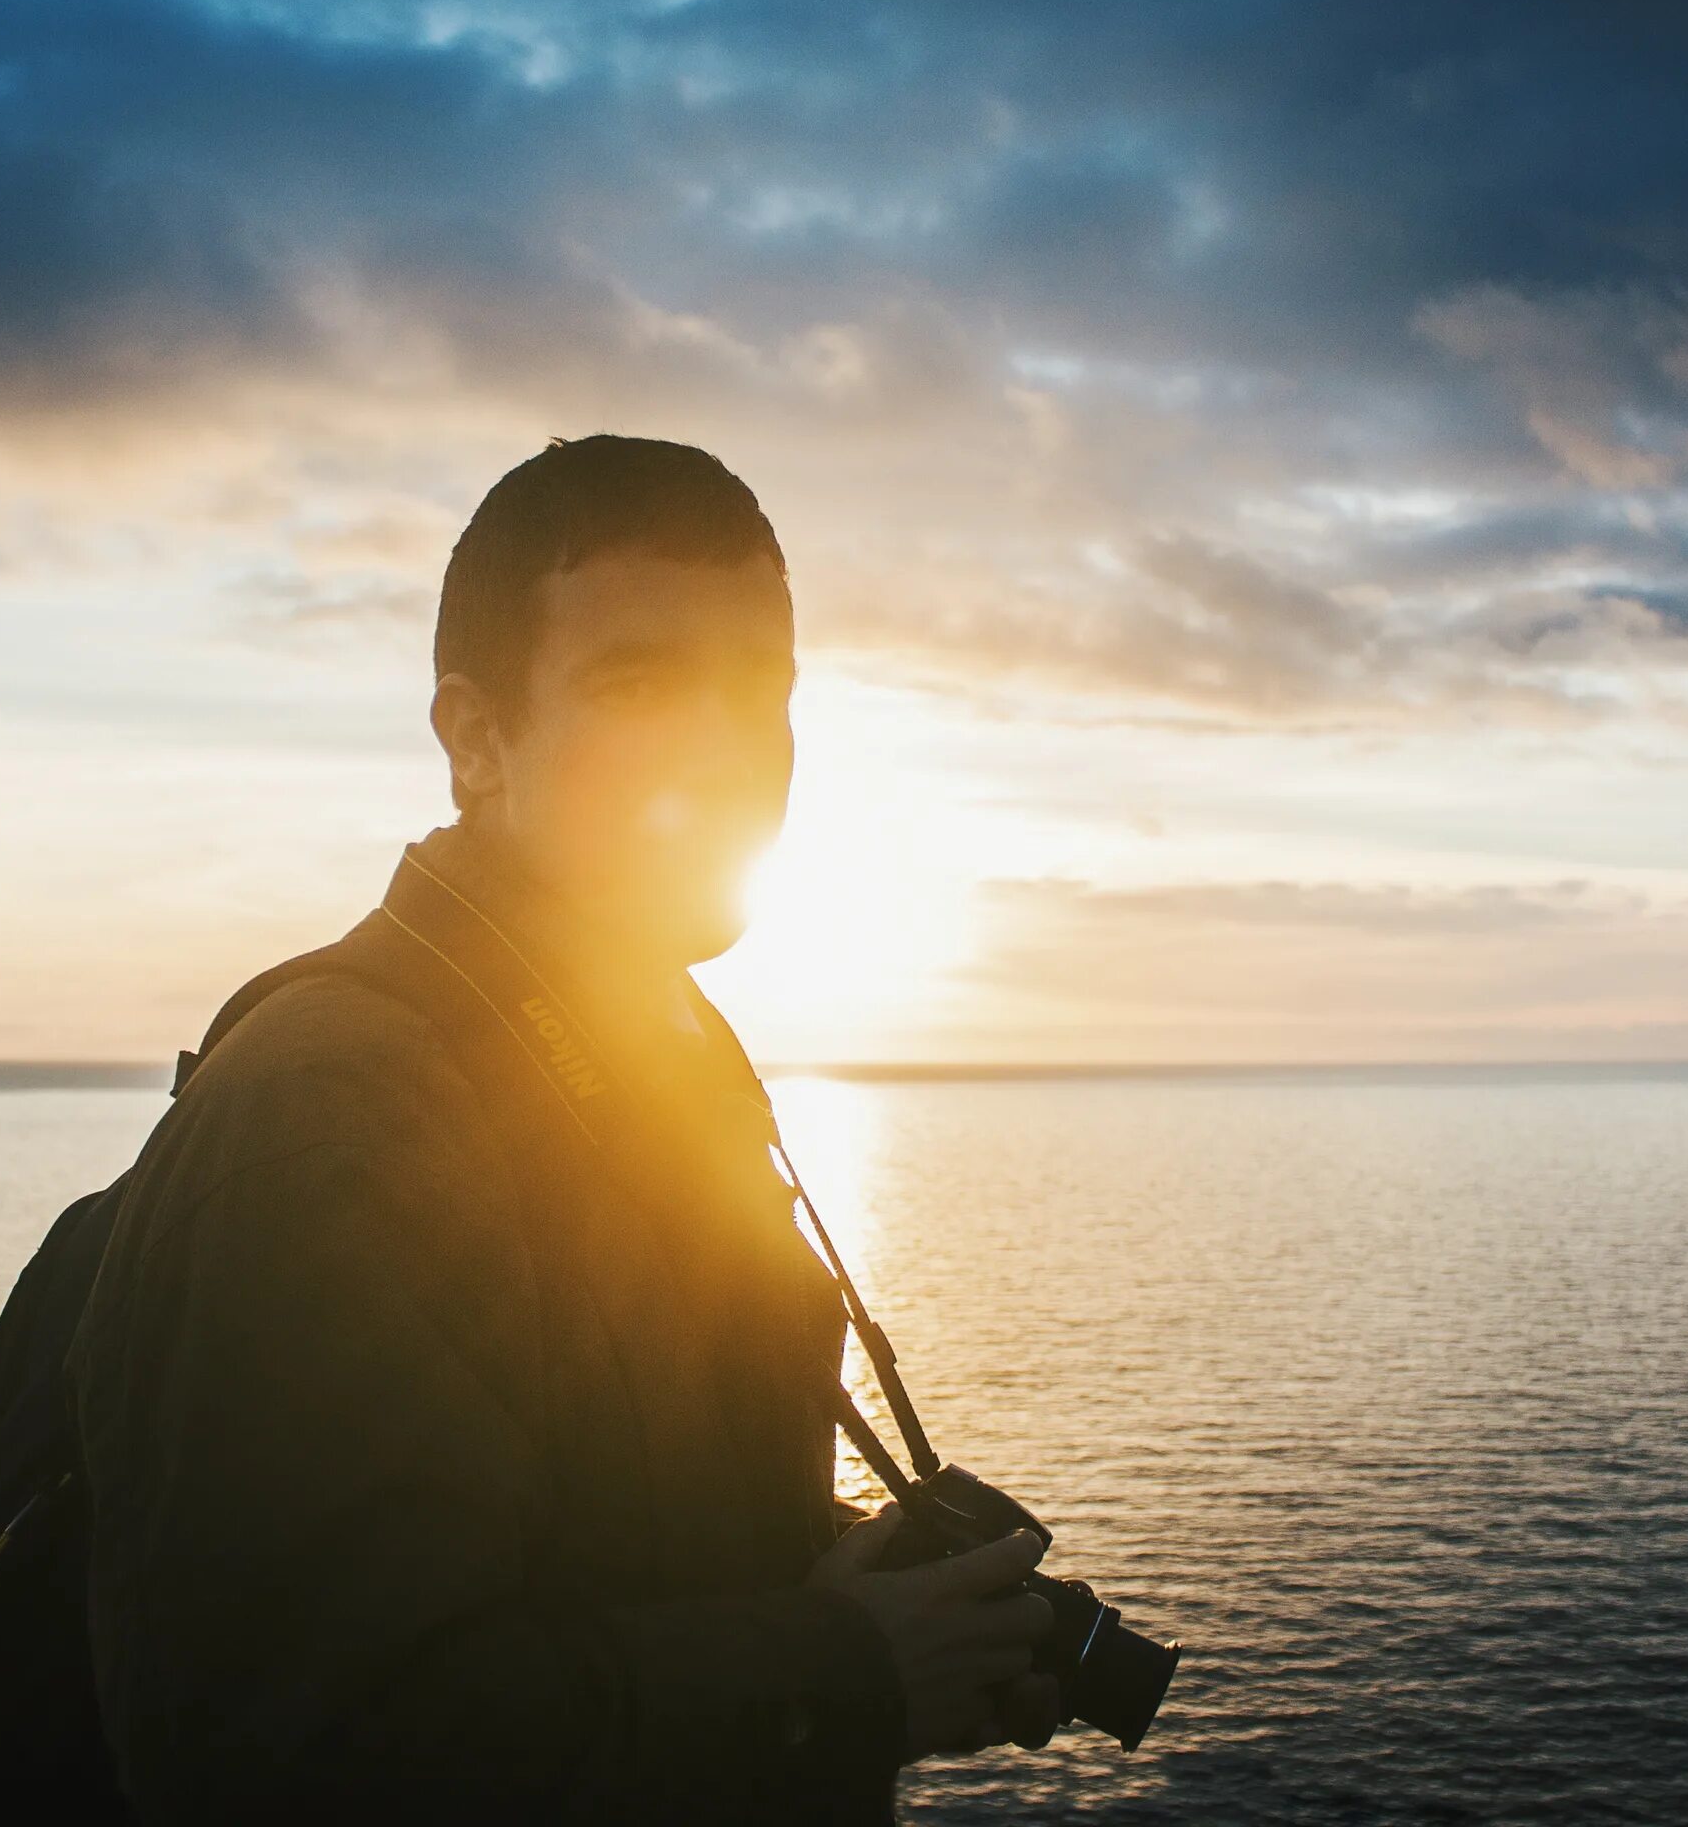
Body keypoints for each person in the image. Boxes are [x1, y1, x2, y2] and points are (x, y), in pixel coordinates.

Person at [62, 435, 1062, 1822]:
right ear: (477, 739)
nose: (725, 751)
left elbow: (584, 1527)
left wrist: (879, 1585)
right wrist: (843, 1671)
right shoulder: (334, 1116)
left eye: (759, 690)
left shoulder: (637, 1057)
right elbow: (307, 1749)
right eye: (642, 684)